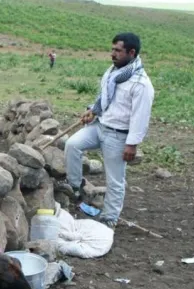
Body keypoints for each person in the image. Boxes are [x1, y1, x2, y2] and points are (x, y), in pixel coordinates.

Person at [61, 32, 155, 230]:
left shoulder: (141, 84)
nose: (112, 54)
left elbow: (140, 117)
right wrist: (93, 110)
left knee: (114, 179)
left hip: (118, 135)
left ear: (132, 52)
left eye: (117, 51)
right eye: (112, 49)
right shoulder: (114, 71)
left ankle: (109, 218)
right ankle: (76, 188)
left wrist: (132, 144)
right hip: (100, 126)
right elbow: (104, 96)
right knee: (72, 145)